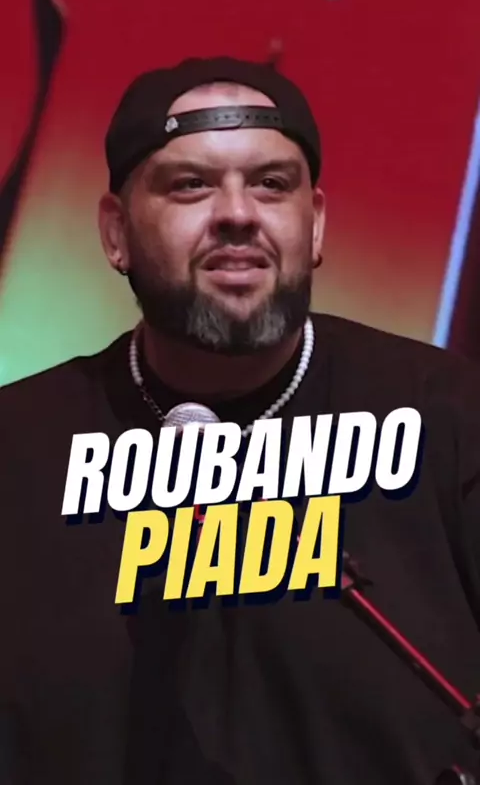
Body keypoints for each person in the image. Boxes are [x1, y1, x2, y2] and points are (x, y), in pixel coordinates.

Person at [0, 56, 479, 785]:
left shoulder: (450, 419)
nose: (237, 214)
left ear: (315, 224)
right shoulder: (21, 449)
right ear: (115, 232)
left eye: (271, 184)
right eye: (190, 184)